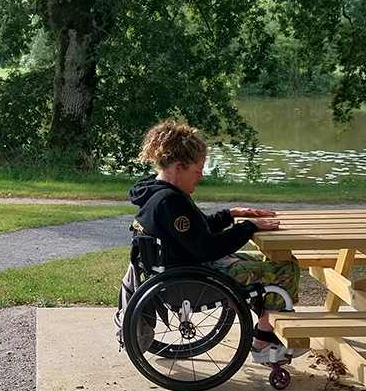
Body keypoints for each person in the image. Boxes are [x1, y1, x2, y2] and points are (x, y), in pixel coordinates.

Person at [128, 120, 305, 363]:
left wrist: (231, 214)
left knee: (270, 263)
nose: (200, 176)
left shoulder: (156, 191)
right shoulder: (169, 202)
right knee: (285, 269)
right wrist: (247, 229)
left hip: (181, 268)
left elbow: (196, 230)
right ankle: (264, 341)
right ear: (178, 167)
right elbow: (206, 247)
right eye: (197, 171)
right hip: (193, 276)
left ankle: (266, 324)